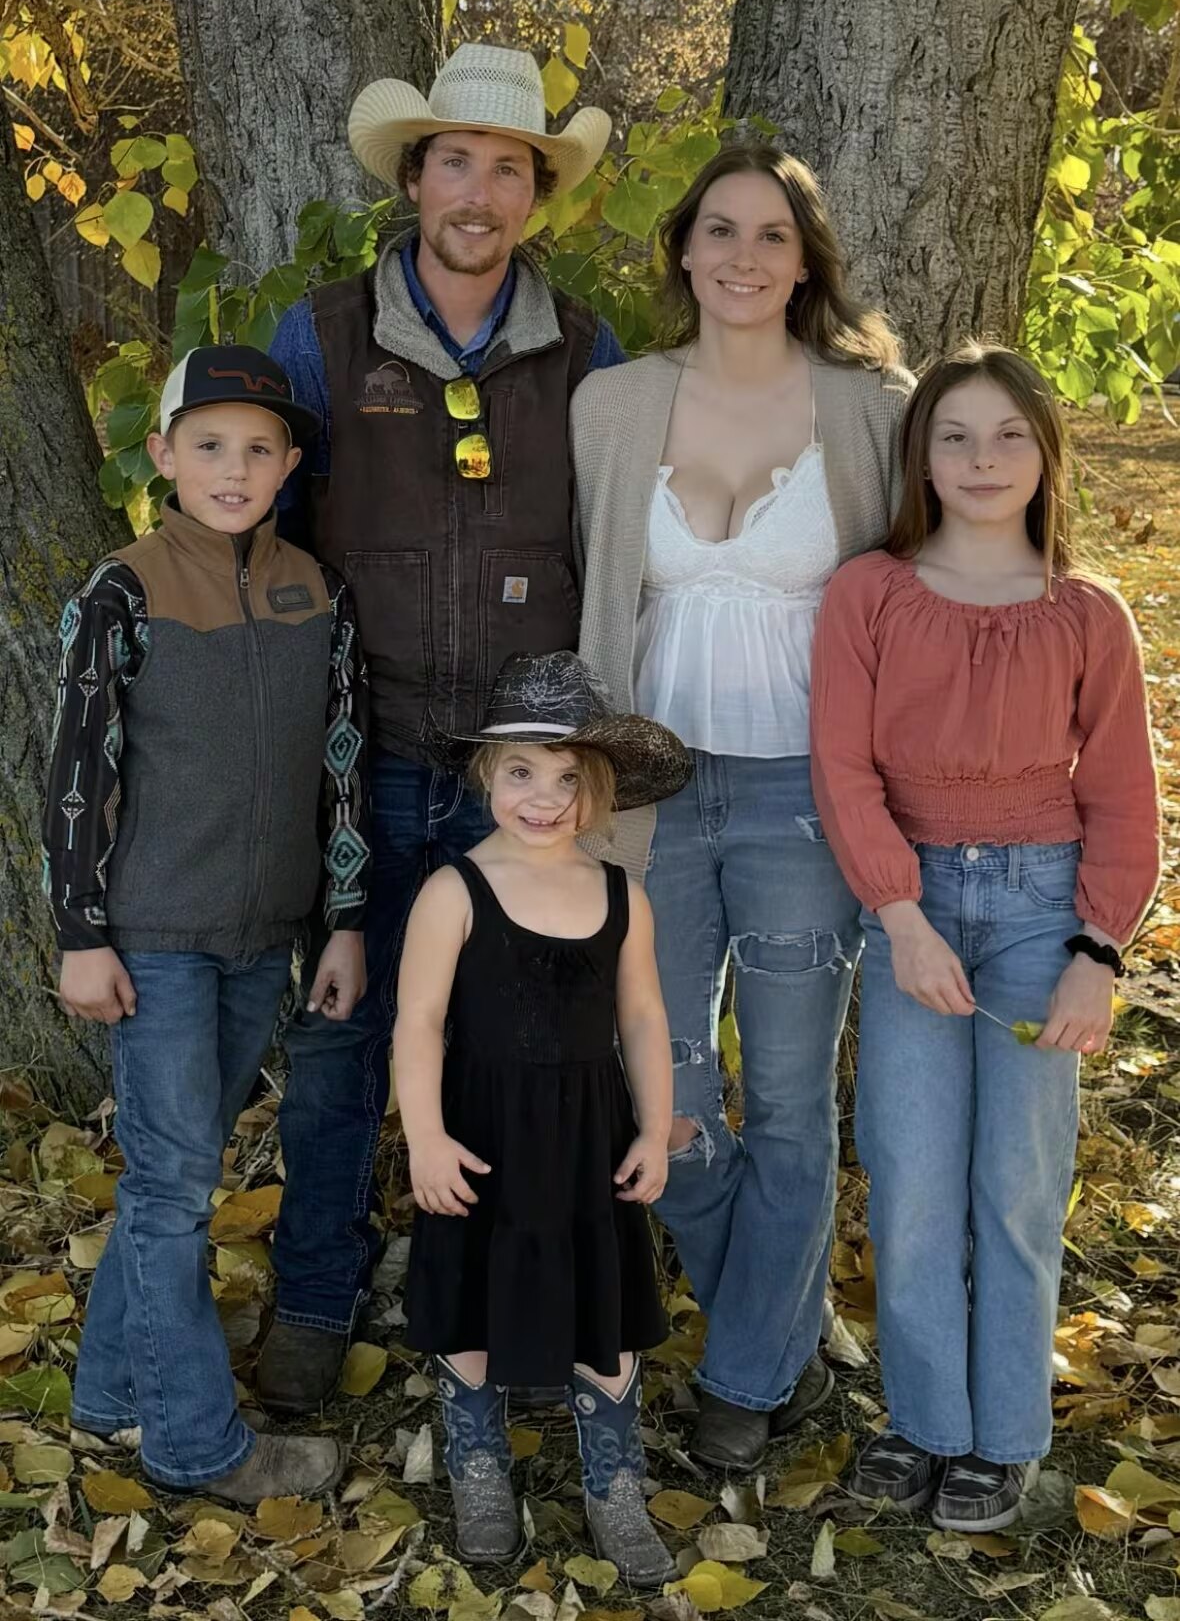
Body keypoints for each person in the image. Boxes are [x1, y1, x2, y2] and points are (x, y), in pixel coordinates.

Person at [261, 45, 629, 1412]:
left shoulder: (586, 353)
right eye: (455, 162)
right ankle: (315, 1295)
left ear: (539, 194)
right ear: (414, 179)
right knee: (343, 1042)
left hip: (519, 777)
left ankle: (495, 1307)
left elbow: (622, 546)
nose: (479, 192)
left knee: (520, 1048)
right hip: (364, 762)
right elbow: (264, 540)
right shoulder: (322, 337)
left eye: (509, 169)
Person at [570, 142, 913, 1468]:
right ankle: (775, 1335)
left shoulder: (870, 411)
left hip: (804, 802)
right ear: (683, 248)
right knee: (661, 1091)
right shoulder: (613, 406)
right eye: (720, 229)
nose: (744, 257)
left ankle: (744, 1383)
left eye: (774, 235)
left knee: (787, 1098)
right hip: (648, 793)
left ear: (807, 262)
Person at [810, 343, 1160, 1530]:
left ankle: (1004, 1437)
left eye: (1009, 435)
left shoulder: (1086, 611)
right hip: (908, 904)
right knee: (909, 1178)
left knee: (1017, 1185)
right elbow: (842, 770)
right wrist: (899, 917)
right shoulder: (868, 593)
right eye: (953, 436)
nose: (981, 459)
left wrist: (1096, 953)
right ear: (920, 457)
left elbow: (1123, 796)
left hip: (1040, 910)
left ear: (1045, 455)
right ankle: (923, 1422)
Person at [43, 346, 370, 1502]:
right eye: (210, 445)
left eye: (259, 449)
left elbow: (342, 770)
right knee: (175, 1188)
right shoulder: (123, 591)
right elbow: (76, 769)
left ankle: (106, 1397)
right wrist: (81, 933)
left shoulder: (318, 592)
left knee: (175, 1177)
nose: (234, 469)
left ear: (288, 466)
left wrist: (341, 924)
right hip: (153, 937)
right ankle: (198, 1447)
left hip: (263, 938)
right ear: (163, 454)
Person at [394, 651, 691, 1584]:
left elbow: (643, 1016)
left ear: (598, 791)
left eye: (568, 779)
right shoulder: (454, 892)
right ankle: (479, 1468)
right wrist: (426, 1138)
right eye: (522, 772)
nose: (544, 798)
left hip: (588, 1133)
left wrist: (653, 1129)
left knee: (603, 1297)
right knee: (472, 1293)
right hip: (480, 1133)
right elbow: (419, 1022)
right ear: (488, 774)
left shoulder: (621, 894)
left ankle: (615, 1484)